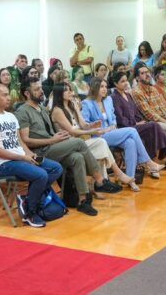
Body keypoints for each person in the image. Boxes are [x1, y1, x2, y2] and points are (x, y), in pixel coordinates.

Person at [16, 80, 109, 216]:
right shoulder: (23, 111)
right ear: (27, 93)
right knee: (79, 143)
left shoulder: (41, 108)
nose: (41, 91)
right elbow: (25, 141)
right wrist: (52, 139)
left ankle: (83, 201)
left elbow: (51, 132)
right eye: (36, 89)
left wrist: (59, 136)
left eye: (41, 88)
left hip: (52, 145)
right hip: (39, 152)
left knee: (77, 157)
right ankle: (100, 180)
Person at [0, 83, 62, 228]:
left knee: (56, 168)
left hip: (20, 158)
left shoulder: (11, 116)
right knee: (41, 175)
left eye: (8, 94)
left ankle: (28, 199)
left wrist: (30, 155)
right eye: (4, 95)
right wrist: (22, 157)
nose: (9, 98)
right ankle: (30, 213)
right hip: (3, 163)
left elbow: (19, 142)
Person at [50, 83, 136, 191]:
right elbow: (72, 131)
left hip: (79, 142)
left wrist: (91, 124)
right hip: (68, 144)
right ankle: (114, 175)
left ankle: (101, 182)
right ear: (59, 94)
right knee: (101, 142)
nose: (70, 92)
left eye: (70, 90)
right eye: (66, 90)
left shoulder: (72, 106)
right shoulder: (57, 110)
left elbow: (83, 125)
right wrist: (92, 130)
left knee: (101, 144)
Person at [82, 78, 163, 185]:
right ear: (95, 87)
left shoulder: (108, 100)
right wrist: (97, 129)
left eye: (106, 87)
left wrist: (112, 126)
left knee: (131, 143)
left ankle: (130, 179)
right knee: (132, 131)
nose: (104, 89)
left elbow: (114, 119)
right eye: (101, 86)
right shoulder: (87, 103)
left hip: (112, 131)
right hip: (99, 136)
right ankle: (148, 162)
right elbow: (85, 126)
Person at [109, 70, 166, 166]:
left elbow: (136, 112)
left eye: (126, 80)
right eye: (122, 81)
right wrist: (135, 123)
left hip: (135, 124)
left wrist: (140, 121)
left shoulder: (128, 95)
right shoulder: (114, 97)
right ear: (115, 83)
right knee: (153, 125)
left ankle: (154, 163)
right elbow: (120, 118)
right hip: (126, 128)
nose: (126, 83)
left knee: (151, 129)